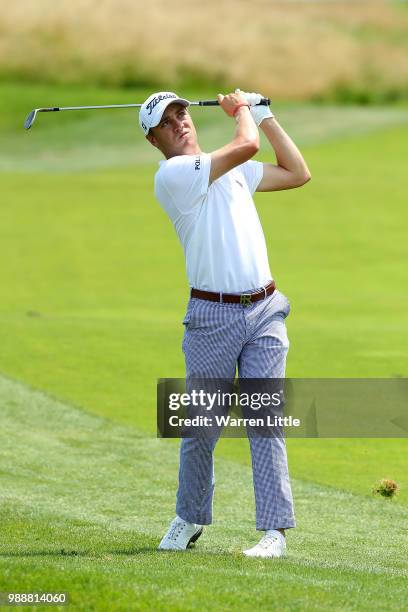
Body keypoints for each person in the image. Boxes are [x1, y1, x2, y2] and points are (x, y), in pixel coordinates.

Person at [139, 89, 311, 558]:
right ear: (155, 140)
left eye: (182, 113)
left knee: (265, 420)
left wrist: (265, 114)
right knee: (201, 425)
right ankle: (189, 517)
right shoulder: (172, 175)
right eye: (167, 122)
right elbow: (246, 146)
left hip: (265, 309)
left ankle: (274, 533)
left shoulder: (231, 171)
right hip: (212, 316)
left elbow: (298, 172)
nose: (180, 123)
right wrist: (242, 112)